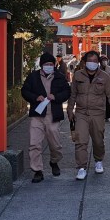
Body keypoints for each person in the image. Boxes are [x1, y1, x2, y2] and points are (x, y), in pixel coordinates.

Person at [66, 50, 110, 179]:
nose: (92, 63)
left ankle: (98, 160)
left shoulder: (104, 77)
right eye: (90, 61)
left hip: (97, 113)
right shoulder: (78, 75)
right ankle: (81, 167)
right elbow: (73, 94)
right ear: (85, 62)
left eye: (95, 61)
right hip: (81, 113)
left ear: (98, 63)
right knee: (80, 141)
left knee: (98, 140)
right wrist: (69, 109)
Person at [20, 53, 72, 183]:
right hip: (37, 115)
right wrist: (35, 97)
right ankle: (37, 170)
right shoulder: (33, 77)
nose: (48, 66)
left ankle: (54, 161)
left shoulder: (59, 77)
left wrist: (56, 97)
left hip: (53, 115)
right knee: (34, 144)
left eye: (50, 64)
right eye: (46, 64)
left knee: (55, 144)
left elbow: (67, 92)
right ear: (41, 65)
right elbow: (25, 91)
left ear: (54, 65)